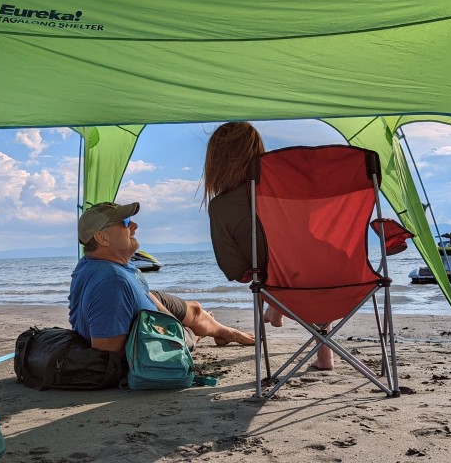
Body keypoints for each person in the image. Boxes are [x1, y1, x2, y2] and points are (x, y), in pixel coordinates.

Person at [203, 122, 335, 370]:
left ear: (215, 163)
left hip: (280, 283)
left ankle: (276, 307)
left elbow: (234, 269)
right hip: (336, 277)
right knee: (302, 264)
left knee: (264, 270)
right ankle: (325, 355)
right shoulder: (289, 192)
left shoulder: (221, 207)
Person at [68, 201, 254, 353]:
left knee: (195, 309)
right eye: (125, 223)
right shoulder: (112, 282)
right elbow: (108, 355)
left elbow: (140, 291)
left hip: (143, 305)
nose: (134, 225)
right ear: (102, 238)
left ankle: (223, 331)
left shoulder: (107, 264)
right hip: (149, 336)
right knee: (188, 335)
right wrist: (182, 334)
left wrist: (169, 317)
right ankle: (196, 334)